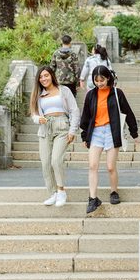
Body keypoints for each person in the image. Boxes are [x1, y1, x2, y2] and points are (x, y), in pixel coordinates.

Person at [79, 65, 139, 214]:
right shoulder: (91, 95)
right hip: (96, 133)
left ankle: (114, 192)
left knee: (110, 167)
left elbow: (128, 113)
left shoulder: (117, 94)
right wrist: (84, 135)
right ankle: (93, 198)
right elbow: (85, 116)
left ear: (108, 78)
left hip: (112, 132)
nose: (99, 83)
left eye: (102, 80)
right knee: (93, 165)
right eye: (96, 80)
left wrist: (134, 133)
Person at [30, 66, 79, 207]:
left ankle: (61, 191)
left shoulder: (64, 90)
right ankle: (53, 193)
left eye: (46, 75)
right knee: (45, 163)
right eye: (41, 77)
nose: (44, 78)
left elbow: (74, 111)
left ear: (52, 75)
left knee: (56, 160)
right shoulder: (38, 94)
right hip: (45, 128)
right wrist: (37, 119)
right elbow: (34, 114)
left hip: (62, 126)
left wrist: (72, 130)